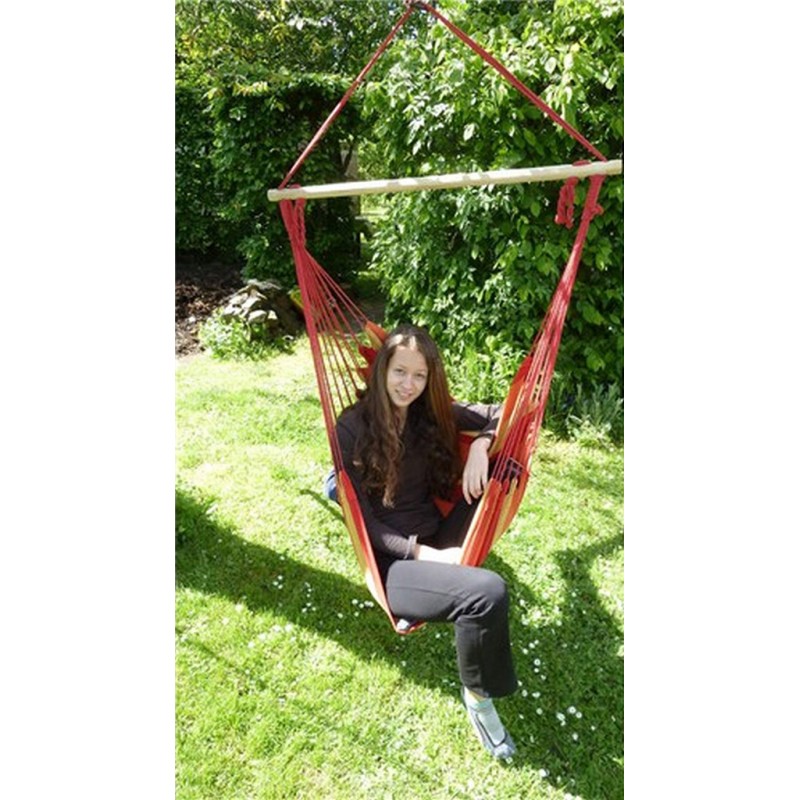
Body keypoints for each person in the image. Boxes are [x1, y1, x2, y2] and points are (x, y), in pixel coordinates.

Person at [331, 324, 518, 759]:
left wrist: (480, 448)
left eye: (419, 375)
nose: (408, 385)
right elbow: (367, 525)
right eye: (400, 372)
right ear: (382, 369)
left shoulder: (426, 412)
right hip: (394, 564)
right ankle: (479, 700)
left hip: (435, 530)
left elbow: (500, 412)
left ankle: (447, 584)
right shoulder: (351, 427)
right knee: (487, 593)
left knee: (505, 468)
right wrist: (426, 554)